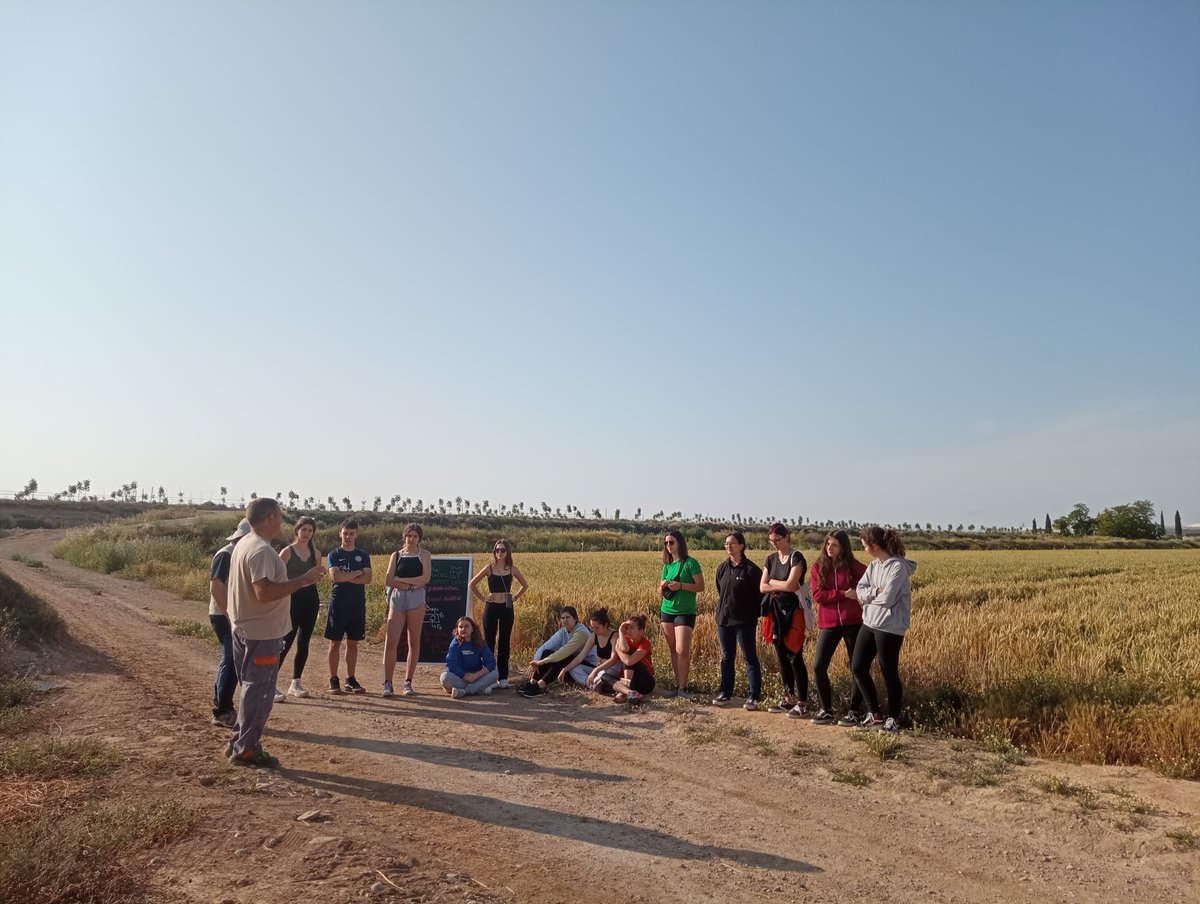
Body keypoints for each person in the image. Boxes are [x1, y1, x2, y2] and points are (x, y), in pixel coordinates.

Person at [225, 498, 325, 767]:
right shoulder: (261, 550)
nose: (282, 521)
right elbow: (264, 592)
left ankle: (239, 741)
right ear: (270, 517)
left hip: (246, 627)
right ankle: (246, 749)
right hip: (261, 632)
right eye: (280, 516)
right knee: (260, 692)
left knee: (250, 689)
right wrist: (304, 580)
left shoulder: (244, 544)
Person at [851, 527, 916, 733]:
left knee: (889, 672)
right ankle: (875, 713)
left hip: (890, 627)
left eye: (864, 545)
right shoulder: (874, 566)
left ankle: (894, 719)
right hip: (869, 622)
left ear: (874, 546)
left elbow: (888, 600)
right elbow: (859, 590)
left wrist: (867, 596)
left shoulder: (898, 567)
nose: (864, 549)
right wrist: (873, 592)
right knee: (858, 667)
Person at [809, 530, 868, 726]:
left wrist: (859, 595)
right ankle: (826, 710)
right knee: (819, 666)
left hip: (854, 623)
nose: (829, 548)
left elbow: (869, 582)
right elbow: (818, 595)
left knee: (857, 668)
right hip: (830, 623)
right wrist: (844, 594)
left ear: (843, 547)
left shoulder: (855, 567)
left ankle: (854, 712)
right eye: (827, 544)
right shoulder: (818, 567)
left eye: (834, 545)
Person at [759, 522, 809, 717]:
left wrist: (772, 582)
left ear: (787, 537)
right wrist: (778, 585)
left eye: (777, 540)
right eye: (771, 541)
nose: (774, 544)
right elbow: (762, 587)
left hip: (793, 612)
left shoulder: (797, 558)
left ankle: (803, 702)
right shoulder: (771, 559)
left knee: (795, 656)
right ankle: (788, 699)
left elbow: (791, 585)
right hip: (775, 612)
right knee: (781, 656)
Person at [208, 518, 252, 728]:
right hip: (223, 615)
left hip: (232, 615)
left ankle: (221, 703)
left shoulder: (238, 553)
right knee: (233, 659)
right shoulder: (226, 555)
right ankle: (223, 711)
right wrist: (230, 615)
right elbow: (216, 587)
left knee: (231, 659)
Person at [713, 531, 764, 710]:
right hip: (724, 620)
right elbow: (721, 590)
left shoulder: (751, 570)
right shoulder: (722, 568)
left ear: (741, 546)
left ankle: (753, 696)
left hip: (744, 622)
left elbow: (760, 596)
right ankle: (725, 693)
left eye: (732, 543)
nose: (729, 546)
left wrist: (750, 614)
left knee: (749, 658)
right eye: (726, 544)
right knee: (727, 657)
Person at [469, 539, 529, 689]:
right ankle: (489, 676)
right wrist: (483, 598)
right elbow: (472, 584)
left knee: (504, 642)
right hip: (491, 607)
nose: (499, 553)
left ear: (508, 552)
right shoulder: (489, 568)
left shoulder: (512, 569)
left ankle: (503, 677)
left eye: (502, 550)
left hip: (507, 606)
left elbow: (525, 585)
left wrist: (515, 597)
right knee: (489, 642)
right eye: (497, 550)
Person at [381, 523, 432, 697]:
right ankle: (387, 682)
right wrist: (409, 583)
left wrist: (403, 581)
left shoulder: (424, 555)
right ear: (404, 537)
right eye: (409, 535)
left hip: (416, 598)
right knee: (391, 641)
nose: (411, 539)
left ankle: (408, 682)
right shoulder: (396, 555)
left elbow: (425, 578)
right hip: (397, 598)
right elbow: (388, 579)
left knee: (413, 641)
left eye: (415, 536)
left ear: (419, 538)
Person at [276, 516, 323, 701]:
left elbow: (316, 575)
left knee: (304, 641)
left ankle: (295, 682)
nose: (306, 534)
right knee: (285, 640)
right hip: (291, 598)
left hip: (310, 598)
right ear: (297, 530)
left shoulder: (316, 554)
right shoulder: (286, 552)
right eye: (304, 530)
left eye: (310, 530)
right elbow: (278, 578)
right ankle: (270, 682)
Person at [325, 518, 372, 695]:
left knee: (353, 643)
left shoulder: (363, 555)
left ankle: (350, 678)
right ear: (340, 533)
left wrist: (348, 575)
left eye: (352, 534)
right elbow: (335, 577)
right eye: (345, 533)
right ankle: (333, 678)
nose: (348, 537)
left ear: (356, 534)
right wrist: (358, 572)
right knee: (335, 642)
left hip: (357, 604)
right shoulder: (334, 554)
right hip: (339, 603)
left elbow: (368, 579)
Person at [659, 528, 704, 698]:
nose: (668, 546)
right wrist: (663, 584)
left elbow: (700, 586)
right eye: (666, 543)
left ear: (680, 543)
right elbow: (660, 589)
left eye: (671, 542)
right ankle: (678, 685)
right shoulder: (667, 565)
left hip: (685, 611)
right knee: (673, 650)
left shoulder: (691, 563)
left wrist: (681, 586)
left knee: (682, 650)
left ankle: (683, 689)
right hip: (667, 610)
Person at [518, 606, 592, 697]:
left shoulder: (581, 632)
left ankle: (541, 686)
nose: (565, 620)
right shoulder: (563, 631)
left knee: (562, 657)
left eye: (568, 617)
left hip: (587, 666)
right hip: (571, 664)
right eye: (563, 618)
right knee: (546, 652)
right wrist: (536, 660)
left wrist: (542, 662)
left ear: (575, 618)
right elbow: (546, 646)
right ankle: (533, 682)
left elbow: (566, 651)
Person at [439, 617, 499, 698]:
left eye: (467, 626)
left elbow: (491, 663)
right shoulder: (455, 644)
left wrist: (475, 676)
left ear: (472, 629)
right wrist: (464, 675)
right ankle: (479, 689)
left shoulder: (480, 642)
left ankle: (464, 691)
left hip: (476, 676)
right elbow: (451, 664)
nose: (463, 629)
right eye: (460, 627)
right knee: (445, 677)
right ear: (457, 630)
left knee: (495, 674)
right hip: (459, 676)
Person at [611, 614, 655, 704]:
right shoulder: (624, 639)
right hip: (631, 680)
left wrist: (617, 649)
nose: (629, 631)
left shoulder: (645, 643)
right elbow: (624, 649)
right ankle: (628, 692)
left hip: (644, 680)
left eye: (632, 628)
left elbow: (629, 661)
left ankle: (624, 692)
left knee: (630, 657)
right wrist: (620, 631)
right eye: (627, 628)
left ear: (641, 631)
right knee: (604, 678)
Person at [575, 609, 620, 693]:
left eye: (597, 628)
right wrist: (565, 669)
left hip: (612, 668)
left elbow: (613, 659)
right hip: (600, 667)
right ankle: (592, 684)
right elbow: (581, 656)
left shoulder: (614, 637)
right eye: (592, 628)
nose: (594, 630)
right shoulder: (594, 636)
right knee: (575, 669)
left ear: (605, 625)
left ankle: (595, 684)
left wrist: (596, 670)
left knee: (603, 675)